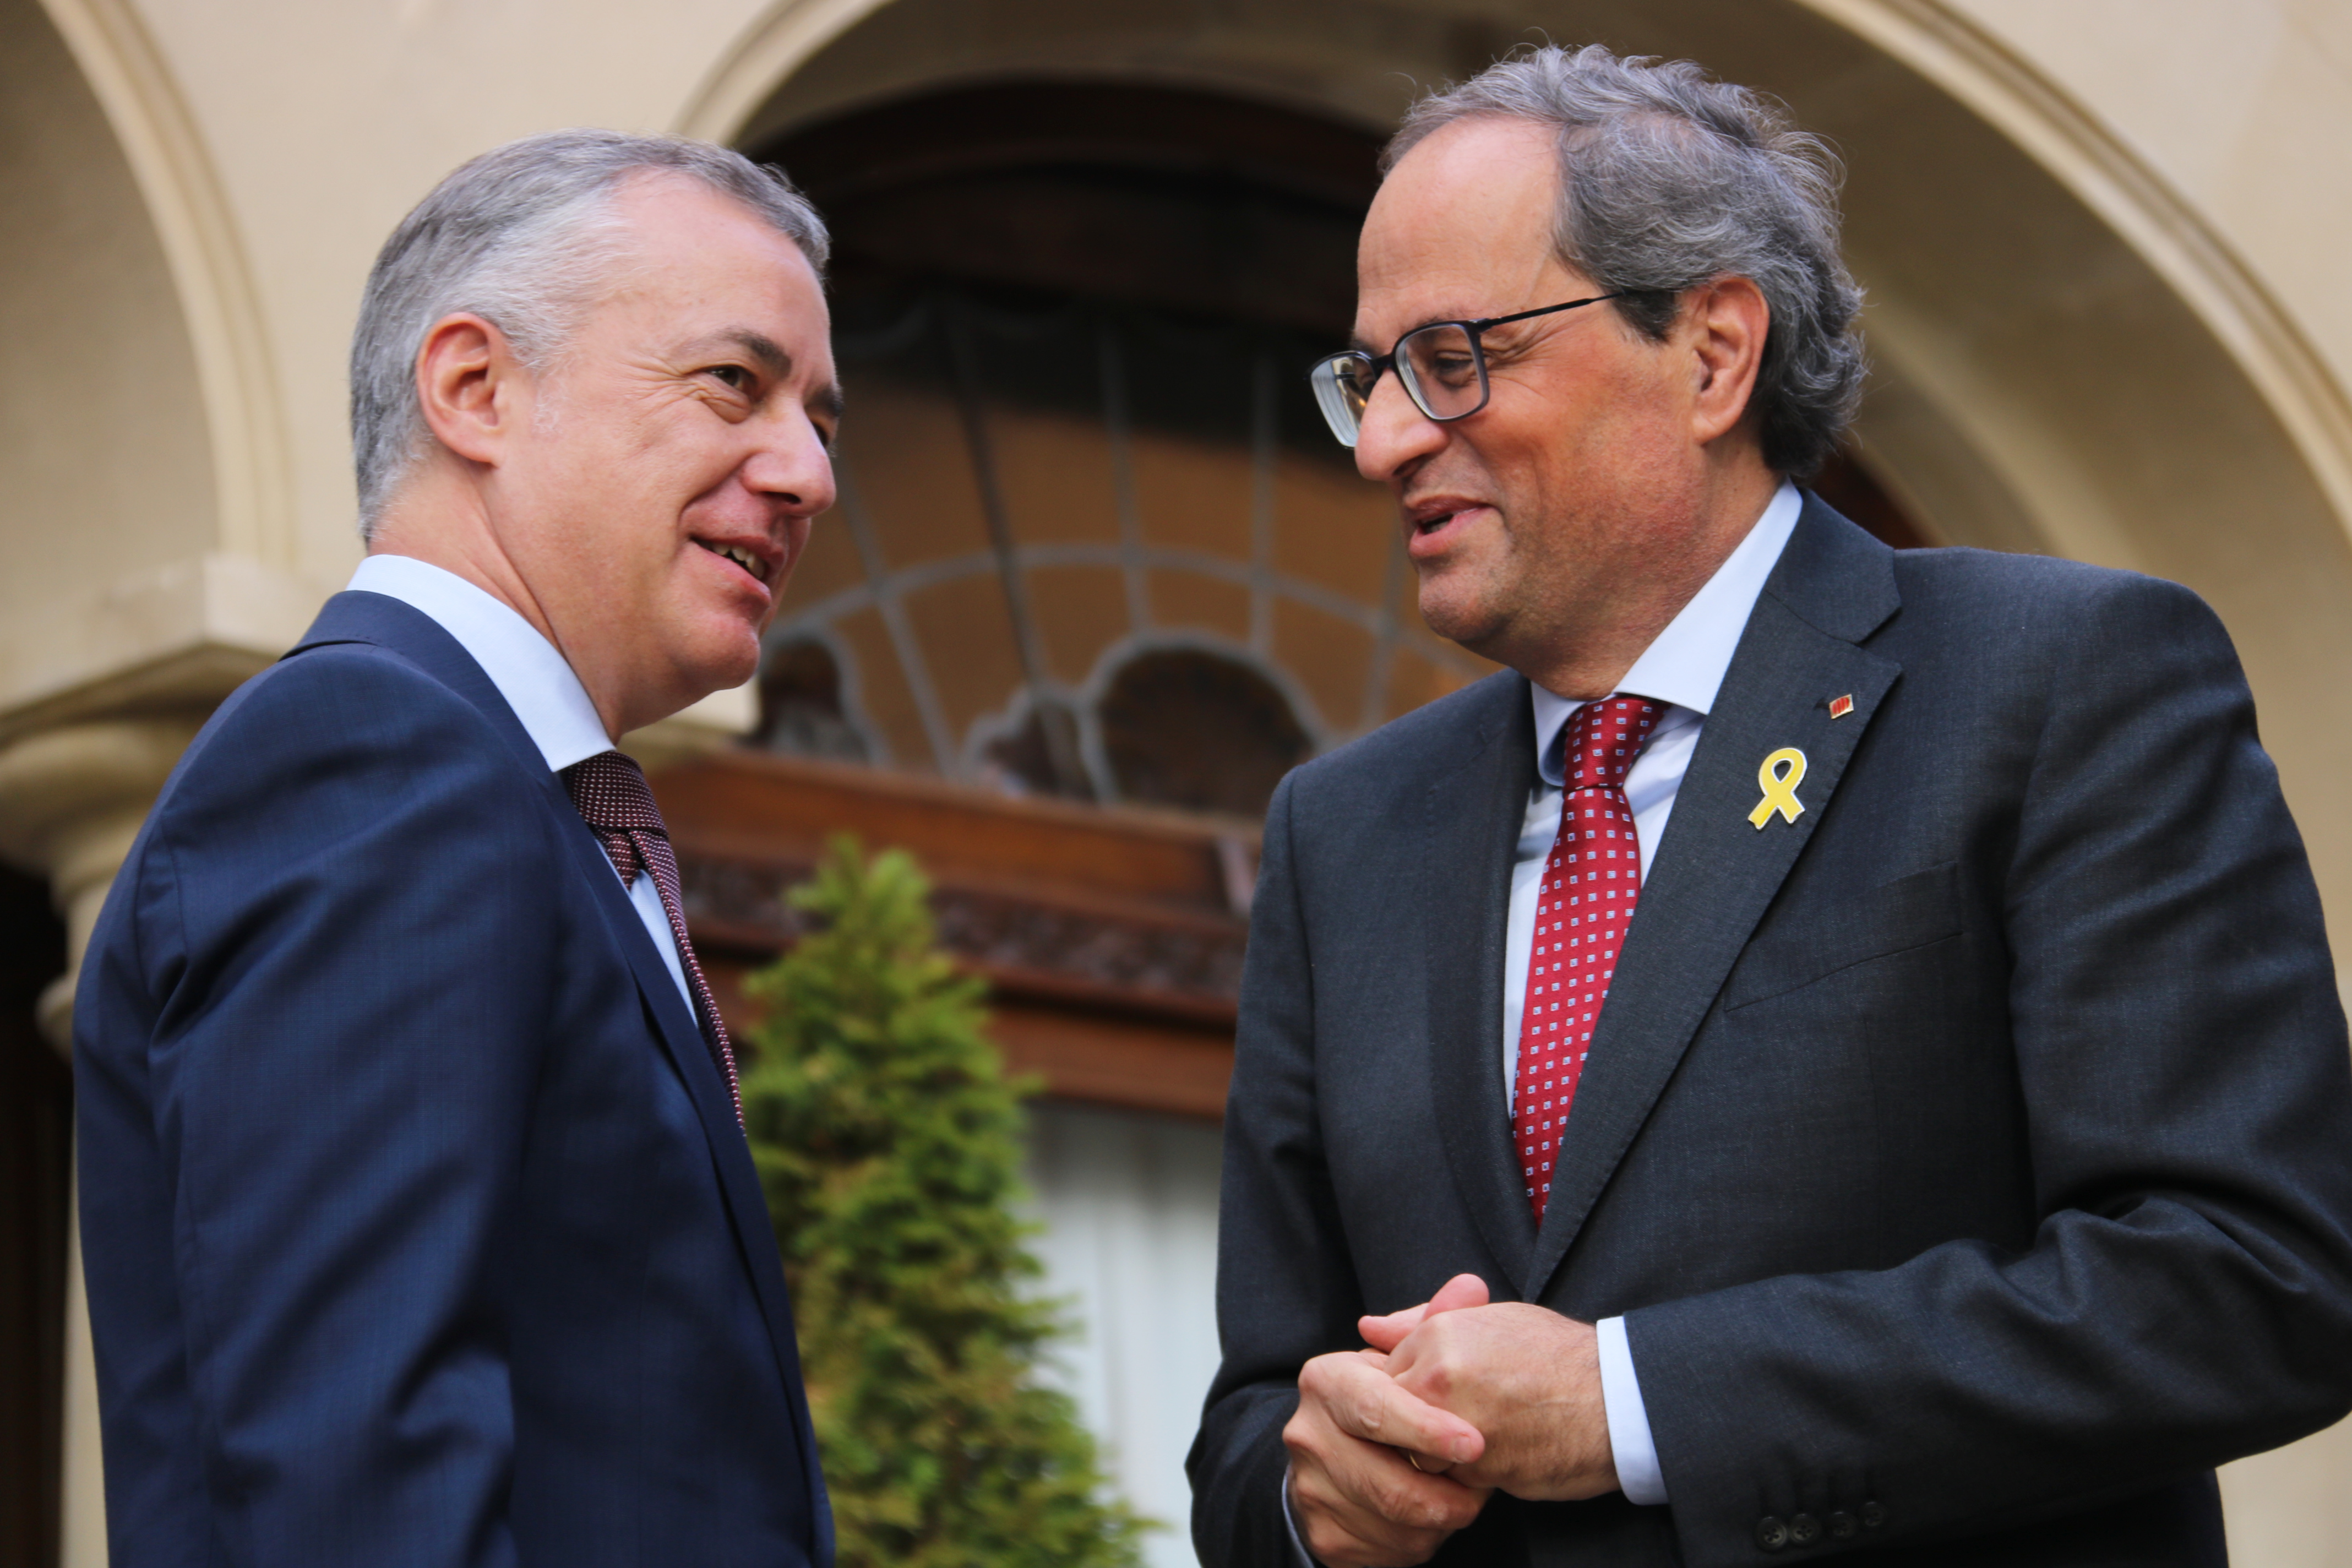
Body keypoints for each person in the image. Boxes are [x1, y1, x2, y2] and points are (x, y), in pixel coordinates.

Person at [1189, 44, 2352, 1568]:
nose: (1393, 437)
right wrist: (1311, 1493)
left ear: (1713, 350)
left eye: (1456, 359)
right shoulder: (1344, 834)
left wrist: (1631, 1400)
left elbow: (2251, 1281)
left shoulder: (2057, 682)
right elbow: (1248, 1434)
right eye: (1371, 378)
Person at [74, 129, 841, 1567]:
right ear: (476, 390)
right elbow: (353, 1480)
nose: (806, 471)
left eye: (820, 418)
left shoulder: (489, 787)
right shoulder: (379, 760)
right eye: (735, 383)